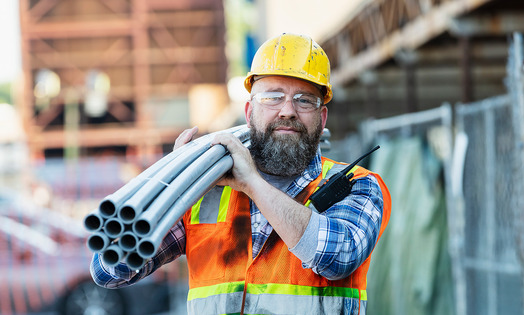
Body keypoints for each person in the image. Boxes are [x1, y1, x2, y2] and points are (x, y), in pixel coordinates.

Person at [90, 33, 391, 314]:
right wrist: (173, 183)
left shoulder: (359, 185)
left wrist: (251, 184)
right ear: (249, 113)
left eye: (304, 100)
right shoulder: (206, 189)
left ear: (321, 116)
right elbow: (111, 271)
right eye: (272, 97)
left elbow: (338, 256)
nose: (287, 110)